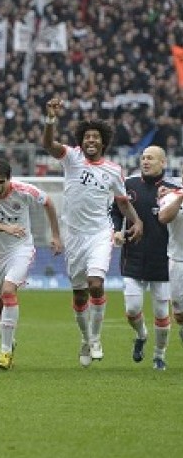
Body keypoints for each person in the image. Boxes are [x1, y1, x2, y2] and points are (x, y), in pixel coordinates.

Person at [42, 97, 143, 367]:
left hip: (99, 234)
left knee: (96, 284)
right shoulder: (72, 158)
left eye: (95, 137)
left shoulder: (113, 170)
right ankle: (85, 339)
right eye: (87, 136)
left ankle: (96, 338)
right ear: (81, 140)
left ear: (103, 141)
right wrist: (51, 119)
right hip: (73, 236)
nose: (91, 141)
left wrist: (137, 221)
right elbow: (48, 145)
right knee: (79, 295)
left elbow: (122, 200)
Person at [0, 158, 63, 370]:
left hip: (20, 249)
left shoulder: (25, 191)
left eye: (1, 182)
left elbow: (48, 202)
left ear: (9, 179)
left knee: (8, 291)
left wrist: (56, 236)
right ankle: (8, 343)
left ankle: (4, 353)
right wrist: (6, 228)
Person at [111, 146, 176, 368]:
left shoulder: (173, 190)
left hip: (163, 260)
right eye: (143, 158)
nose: (145, 161)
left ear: (163, 163)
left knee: (160, 312)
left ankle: (159, 355)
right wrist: (117, 231)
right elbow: (116, 212)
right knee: (131, 310)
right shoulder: (129, 185)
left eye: (151, 158)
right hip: (133, 257)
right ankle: (141, 335)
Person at [154, 183, 183, 370]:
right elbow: (163, 218)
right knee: (180, 316)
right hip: (178, 261)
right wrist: (180, 197)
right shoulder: (171, 195)